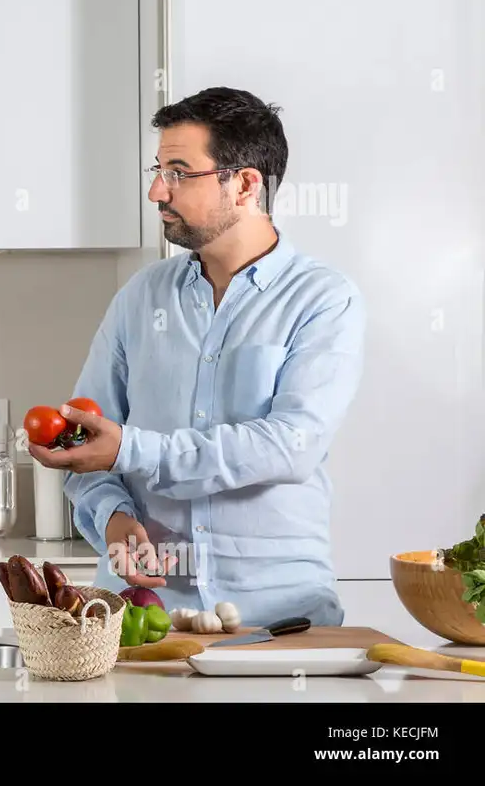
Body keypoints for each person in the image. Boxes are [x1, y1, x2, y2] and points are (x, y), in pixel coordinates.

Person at [30, 87, 365, 628]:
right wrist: (113, 518)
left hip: (277, 617)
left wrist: (131, 450)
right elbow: (85, 441)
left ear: (246, 184)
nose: (157, 190)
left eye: (180, 172)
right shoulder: (140, 297)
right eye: (158, 169)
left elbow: (289, 446)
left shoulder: (323, 299)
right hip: (145, 614)